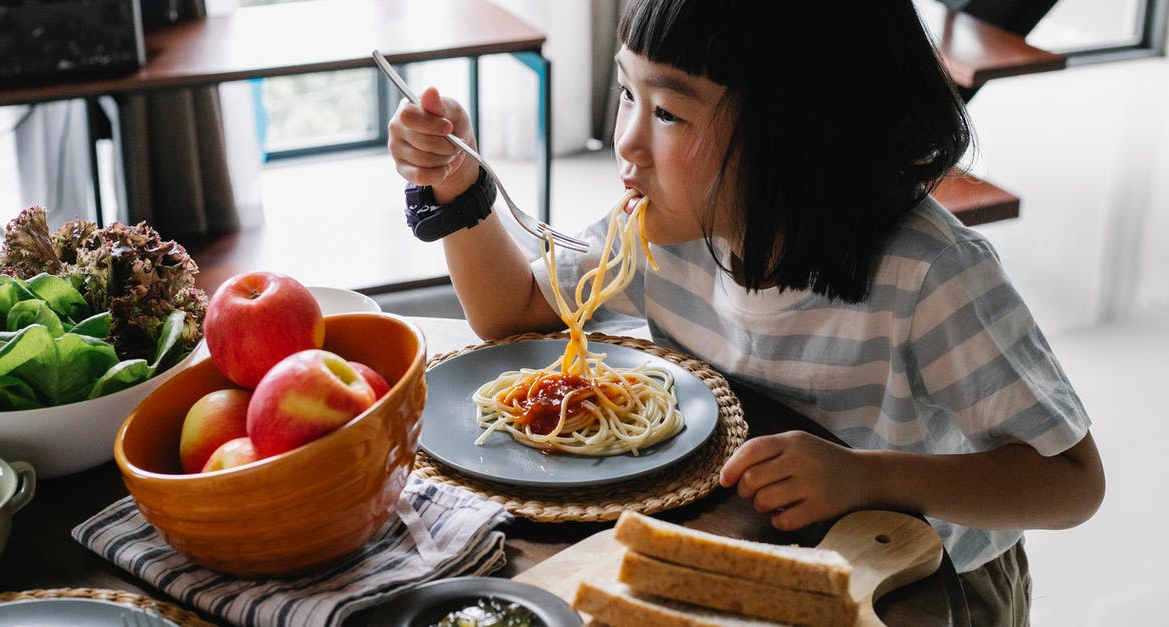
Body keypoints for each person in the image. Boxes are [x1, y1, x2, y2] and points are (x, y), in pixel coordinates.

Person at [387, 1, 1104, 624]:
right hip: (753, 542)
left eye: (667, 111)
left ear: (798, 130)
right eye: (625, 92)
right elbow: (514, 314)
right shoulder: (664, 225)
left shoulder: (930, 274)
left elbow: (1070, 479)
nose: (627, 141)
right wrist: (457, 190)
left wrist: (867, 475)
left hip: (920, 575)